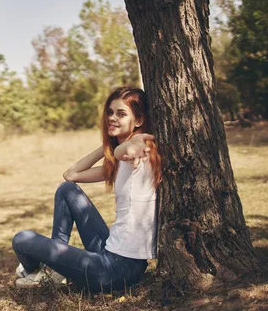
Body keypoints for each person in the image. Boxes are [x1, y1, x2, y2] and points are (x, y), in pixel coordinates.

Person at [12, 86, 162, 291]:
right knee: (67, 190)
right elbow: (71, 175)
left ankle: (35, 272)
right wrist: (108, 143)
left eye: (121, 113)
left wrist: (134, 140)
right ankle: (55, 271)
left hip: (116, 270)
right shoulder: (120, 164)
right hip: (113, 253)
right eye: (110, 112)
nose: (112, 118)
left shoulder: (137, 154)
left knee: (22, 240)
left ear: (138, 120)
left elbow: (124, 150)